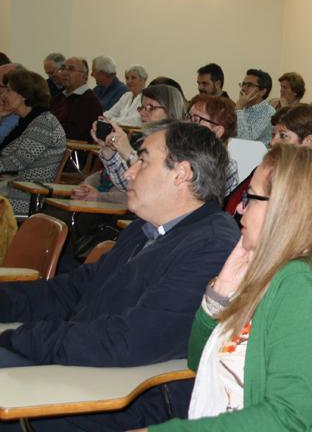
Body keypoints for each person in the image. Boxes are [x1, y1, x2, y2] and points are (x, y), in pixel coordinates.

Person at [0, 122, 239, 431]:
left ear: (182, 173)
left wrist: (18, 338)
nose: (128, 172)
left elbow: (130, 341)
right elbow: (73, 290)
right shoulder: (146, 228)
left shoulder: (212, 246)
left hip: (130, 399)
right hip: (84, 367)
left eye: (143, 160)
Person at [146, 144, 312, 431]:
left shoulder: (306, 288)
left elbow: (287, 418)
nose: (239, 208)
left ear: (285, 208)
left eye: (250, 198)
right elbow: (199, 361)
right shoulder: (270, 272)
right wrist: (221, 292)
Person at [89, 84, 189, 195]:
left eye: (150, 108)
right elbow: (126, 185)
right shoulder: (141, 140)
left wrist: (128, 153)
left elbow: (152, 189)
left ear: (171, 110)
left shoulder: (179, 145)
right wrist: (108, 150)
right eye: (141, 107)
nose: (142, 113)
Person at [0, 70, 66, 216]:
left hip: (24, 194)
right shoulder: (26, 121)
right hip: (10, 186)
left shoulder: (44, 123)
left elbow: (18, 161)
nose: (3, 95)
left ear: (24, 95)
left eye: (9, 91)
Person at [49, 56, 104, 141]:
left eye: (71, 69)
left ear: (84, 76)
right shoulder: (59, 98)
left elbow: (71, 133)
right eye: (63, 69)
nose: (65, 73)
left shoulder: (89, 102)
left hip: (74, 150)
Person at [236, 68, 276, 142]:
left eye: (249, 85)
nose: (243, 88)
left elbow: (246, 139)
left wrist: (239, 109)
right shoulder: (243, 108)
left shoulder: (269, 113)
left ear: (262, 92)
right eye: (243, 84)